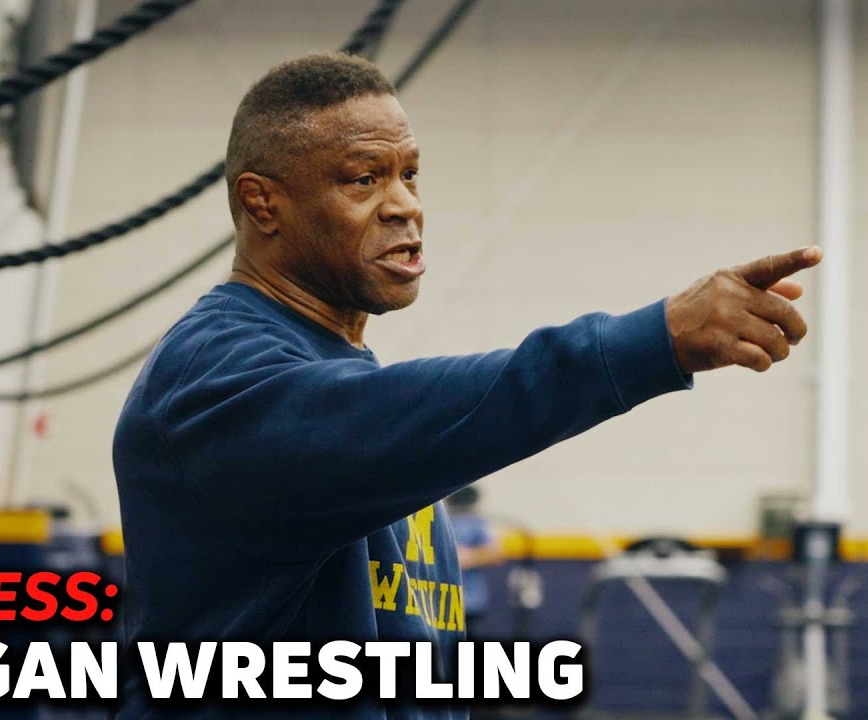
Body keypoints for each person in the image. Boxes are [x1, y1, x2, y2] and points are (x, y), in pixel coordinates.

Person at [112, 52, 821, 719]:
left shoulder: (342, 383)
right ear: (263, 205)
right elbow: (447, 407)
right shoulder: (213, 380)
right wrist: (651, 343)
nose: (404, 207)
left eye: (411, 175)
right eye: (364, 179)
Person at [445, 486, 504, 638]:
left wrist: (469, 556)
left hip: (469, 602)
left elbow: (495, 553)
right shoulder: (442, 520)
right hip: (439, 602)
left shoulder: (476, 523)